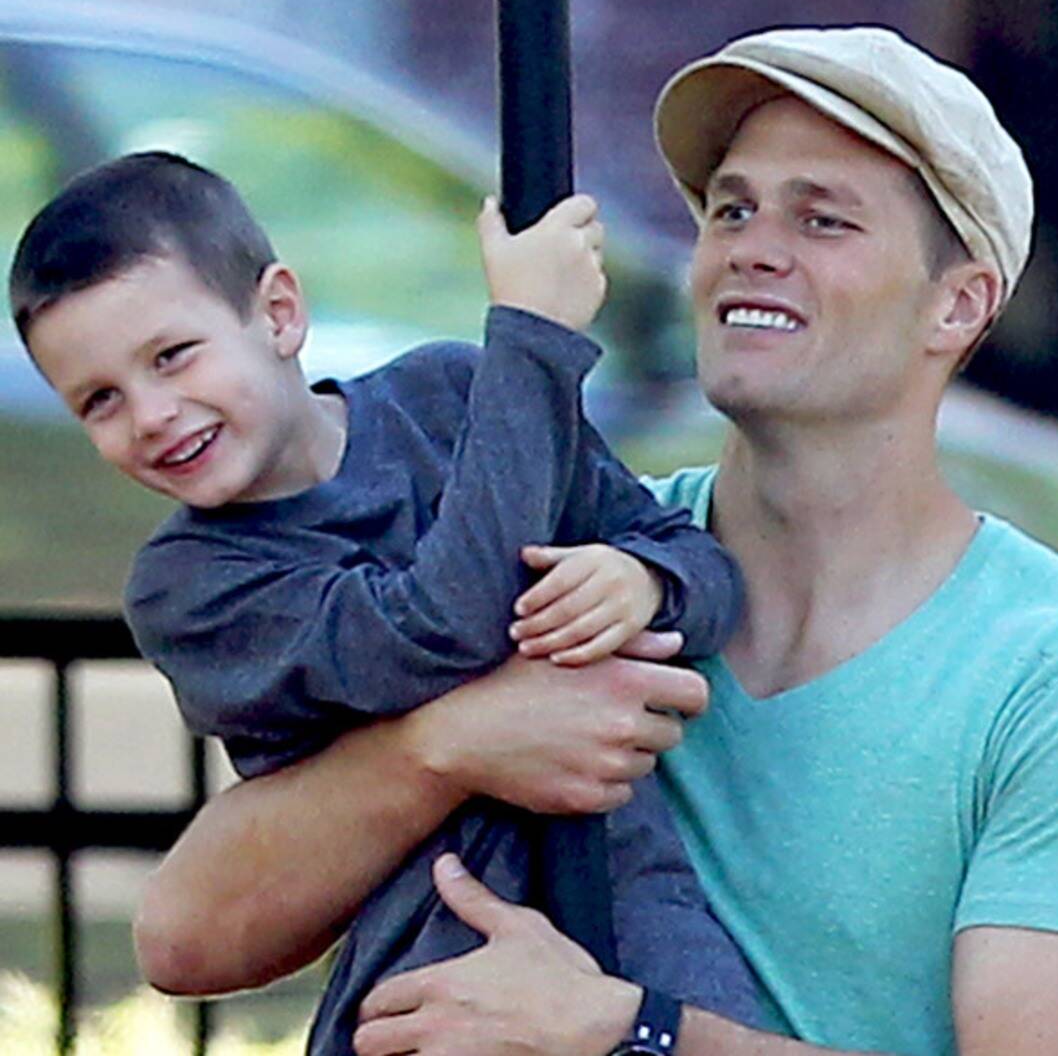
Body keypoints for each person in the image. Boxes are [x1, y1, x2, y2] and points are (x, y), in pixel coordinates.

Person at [99, 24, 1058, 1055]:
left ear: (958, 303)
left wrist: (629, 1028)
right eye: (733, 208)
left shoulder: (1044, 668)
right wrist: (450, 745)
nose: (752, 246)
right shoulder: (564, 548)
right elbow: (184, 937)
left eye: (823, 220)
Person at [9, 153, 758, 1050]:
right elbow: (440, 632)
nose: (153, 413)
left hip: (634, 895)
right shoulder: (193, 589)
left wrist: (644, 585)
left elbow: (709, 576)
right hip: (441, 951)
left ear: (279, 313)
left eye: (172, 356)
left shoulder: (450, 395)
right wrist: (532, 339)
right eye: (100, 401)